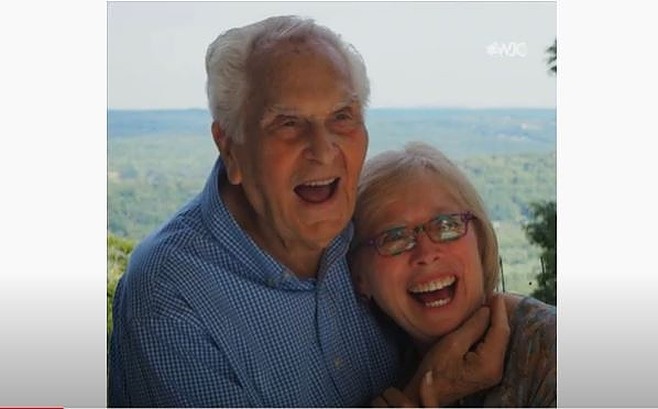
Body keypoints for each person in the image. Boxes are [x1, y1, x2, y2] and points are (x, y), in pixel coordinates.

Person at [108, 16, 509, 407]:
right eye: (287, 123)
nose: (322, 150)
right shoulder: (168, 296)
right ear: (230, 145)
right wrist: (428, 396)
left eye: (341, 116)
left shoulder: (367, 231)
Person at [349, 141, 557, 407]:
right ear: (359, 277)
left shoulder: (552, 350)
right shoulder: (360, 372)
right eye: (394, 237)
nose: (426, 253)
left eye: (446, 225)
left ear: (479, 241)